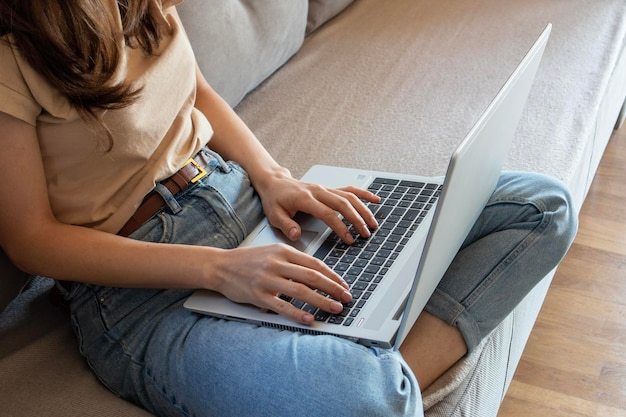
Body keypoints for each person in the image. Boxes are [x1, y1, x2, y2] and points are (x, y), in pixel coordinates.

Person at [0, 1, 577, 416]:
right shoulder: (12, 53)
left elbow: (195, 89)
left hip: (246, 204)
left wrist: (274, 177)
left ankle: (370, 346)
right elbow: (30, 238)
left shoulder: (145, 5)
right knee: (364, 398)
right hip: (143, 293)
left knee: (541, 208)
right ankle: (378, 372)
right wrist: (217, 269)